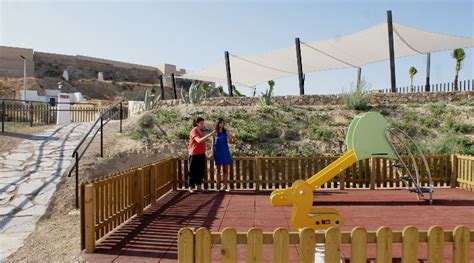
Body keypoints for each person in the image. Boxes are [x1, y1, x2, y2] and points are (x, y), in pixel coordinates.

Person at [188, 117, 215, 193]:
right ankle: (190, 187)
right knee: (192, 171)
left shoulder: (201, 131)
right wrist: (209, 135)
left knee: (201, 171)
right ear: (197, 123)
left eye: (203, 123)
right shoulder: (194, 130)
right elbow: (198, 140)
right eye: (201, 123)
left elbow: (203, 141)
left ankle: (199, 187)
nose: (203, 124)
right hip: (194, 153)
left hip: (201, 154)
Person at [211, 118, 235, 192]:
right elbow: (212, 144)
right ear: (218, 123)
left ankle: (224, 186)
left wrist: (233, 138)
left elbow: (232, 140)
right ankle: (217, 186)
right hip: (217, 152)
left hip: (225, 152)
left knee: (225, 170)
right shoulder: (214, 132)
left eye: (223, 123)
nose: (222, 124)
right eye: (221, 123)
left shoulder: (225, 131)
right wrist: (212, 152)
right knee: (217, 170)